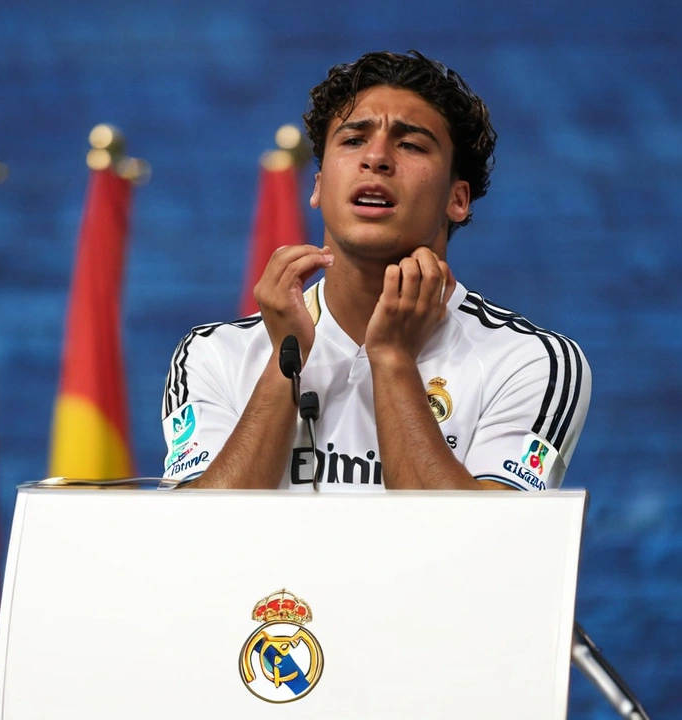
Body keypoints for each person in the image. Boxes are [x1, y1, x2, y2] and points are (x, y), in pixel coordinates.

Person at [161, 50, 590, 491]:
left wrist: (393, 359)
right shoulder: (213, 353)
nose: (377, 158)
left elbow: (482, 549)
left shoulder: (531, 361)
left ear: (457, 200)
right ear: (320, 185)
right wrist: (285, 362)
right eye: (353, 140)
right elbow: (195, 544)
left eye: (410, 144)